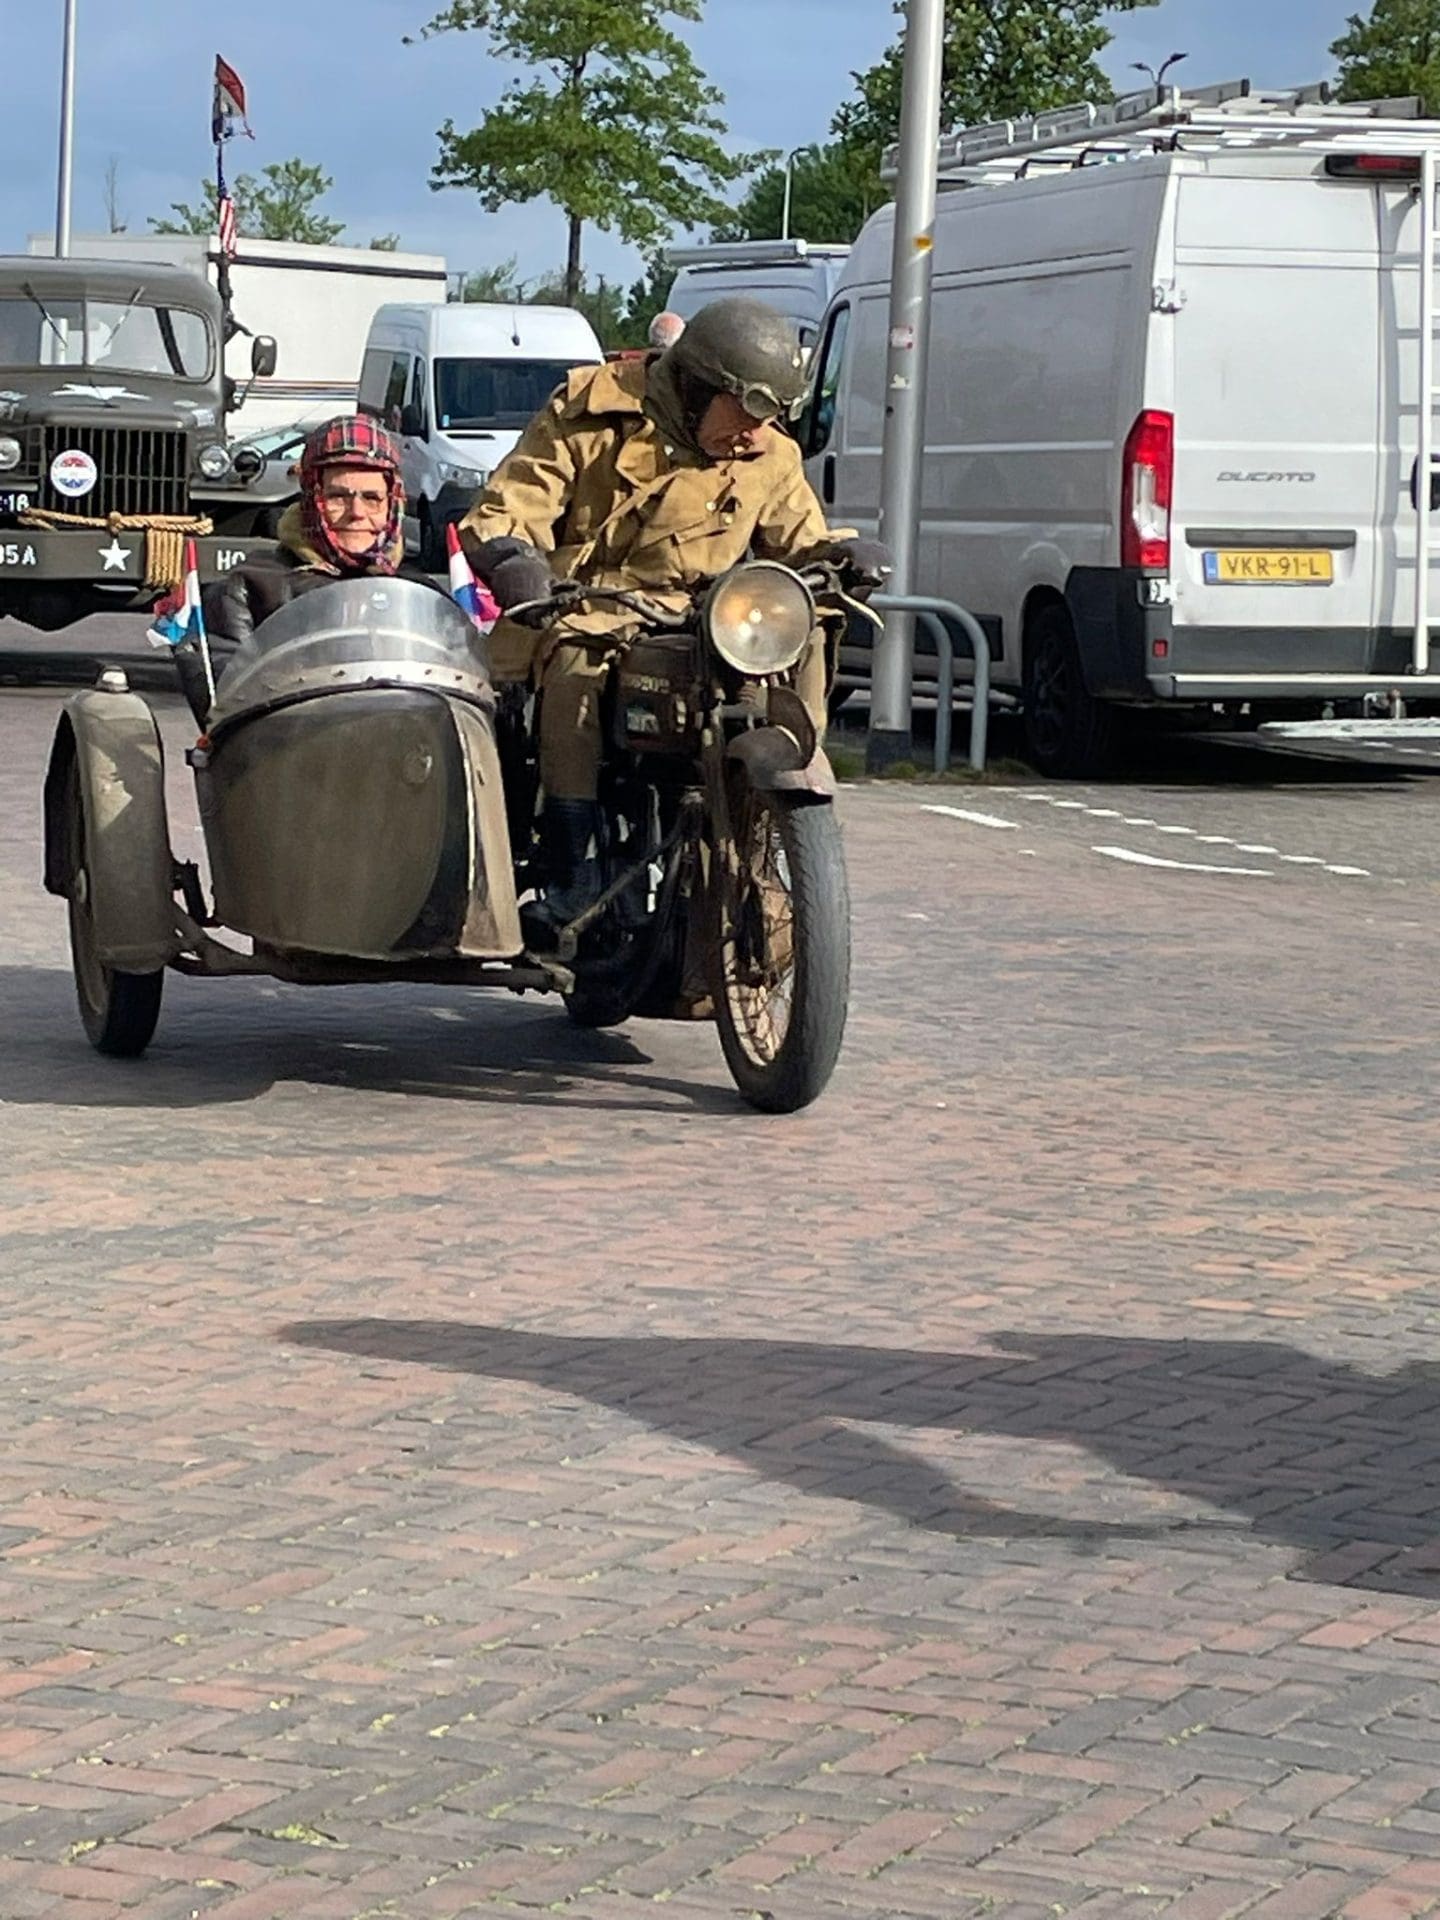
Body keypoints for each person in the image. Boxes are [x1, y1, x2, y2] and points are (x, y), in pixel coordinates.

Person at [458, 296, 890, 928]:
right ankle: (575, 869)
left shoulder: (768, 453)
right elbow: (511, 504)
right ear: (696, 388)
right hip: (586, 604)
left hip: (708, 618)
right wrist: (514, 558)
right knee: (576, 668)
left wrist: (842, 556)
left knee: (808, 624)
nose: (753, 434)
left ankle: (779, 819)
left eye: (768, 419)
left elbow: (799, 541)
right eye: (743, 413)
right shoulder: (593, 415)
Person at [178, 414, 436, 721]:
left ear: (392, 504)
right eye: (338, 496)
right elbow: (228, 699)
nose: (356, 512)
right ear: (312, 499)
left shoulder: (420, 593)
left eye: (372, 498)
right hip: (292, 742)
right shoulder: (250, 586)